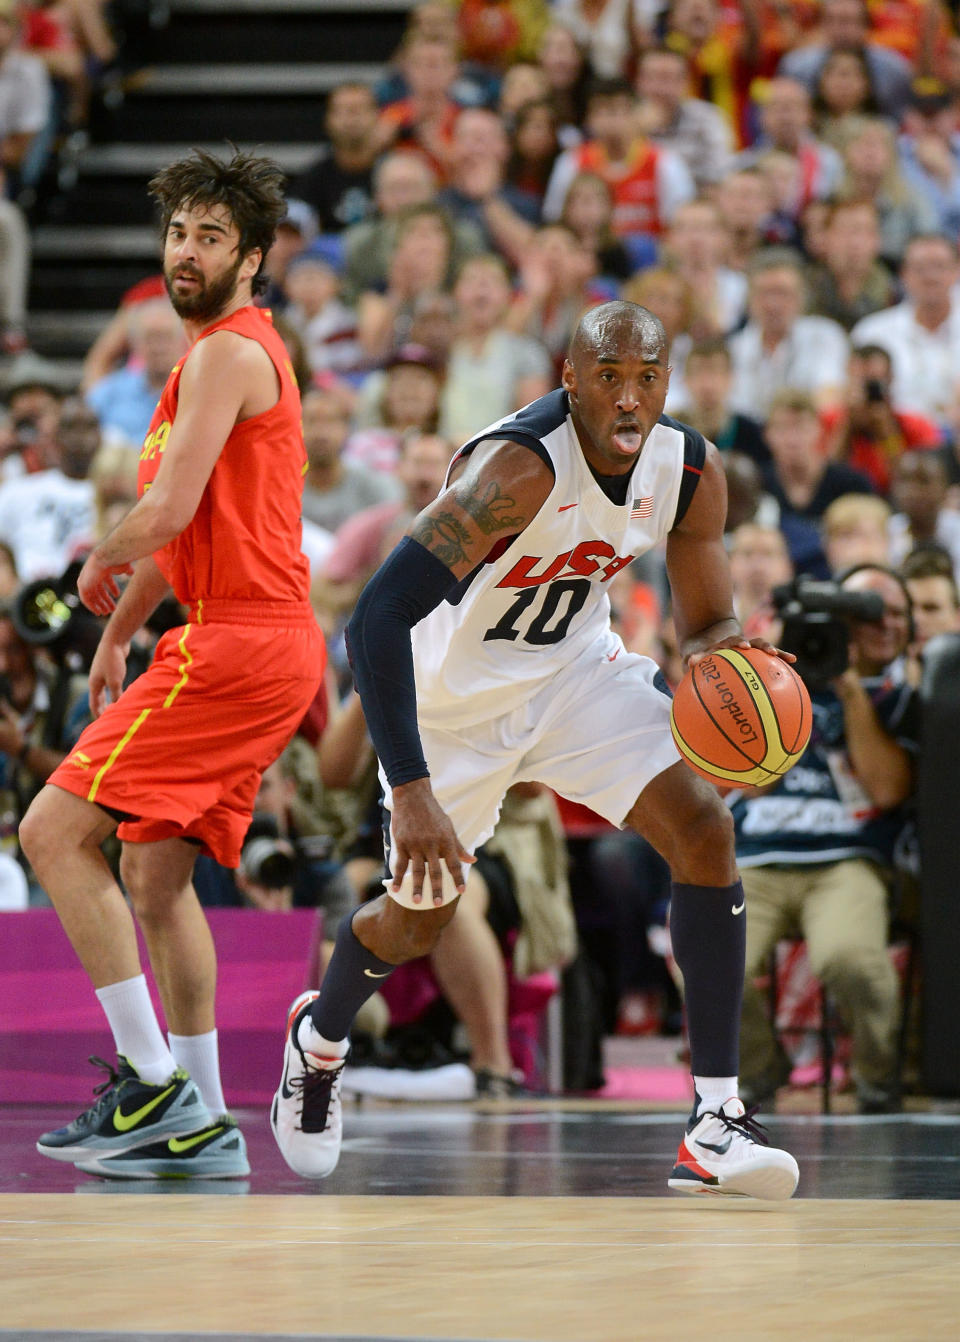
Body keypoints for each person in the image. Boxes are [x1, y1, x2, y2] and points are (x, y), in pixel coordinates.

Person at [270, 298, 801, 1200]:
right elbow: (374, 619)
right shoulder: (515, 471)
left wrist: (726, 663)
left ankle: (716, 1120)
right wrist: (414, 788)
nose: (630, 400)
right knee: (418, 921)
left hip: (574, 676)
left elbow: (707, 617)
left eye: (647, 379)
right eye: (608, 378)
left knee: (704, 831)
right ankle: (319, 1039)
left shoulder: (690, 470)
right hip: (451, 709)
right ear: (570, 380)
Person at [18, 148, 325, 1180]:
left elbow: (167, 512)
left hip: (240, 637)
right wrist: (118, 623)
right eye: (177, 233)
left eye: (209, 236)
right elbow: (188, 530)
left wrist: (91, 560)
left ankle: (155, 1089)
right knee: (153, 873)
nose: (185, 252)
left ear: (253, 258)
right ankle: (199, 1116)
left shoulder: (230, 355)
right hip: (252, 635)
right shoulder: (215, 361)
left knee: (52, 831)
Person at [733, 563, 918, 1114]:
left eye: (892, 614)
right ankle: (761, 1072)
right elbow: (755, 780)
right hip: (758, 856)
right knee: (704, 958)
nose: (879, 625)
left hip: (846, 862)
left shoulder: (902, 694)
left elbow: (886, 790)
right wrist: (774, 679)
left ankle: (876, 1081)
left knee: (850, 958)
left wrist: (847, 687)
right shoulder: (780, 679)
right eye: (862, 614)